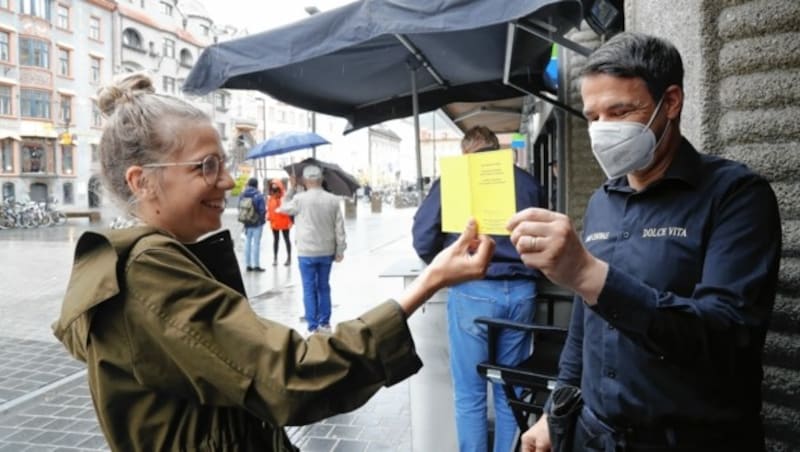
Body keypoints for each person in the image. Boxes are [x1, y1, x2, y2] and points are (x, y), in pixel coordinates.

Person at [52, 72, 496, 452]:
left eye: (225, 163)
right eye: (206, 166)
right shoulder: (146, 272)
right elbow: (289, 376)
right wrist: (428, 283)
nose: (226, 180)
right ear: (142, 182)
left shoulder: (147, 259)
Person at [510, 32, 781, 452]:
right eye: (593, 117)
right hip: (594, 435)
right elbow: (584, 325)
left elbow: (728, 338)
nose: (602, 130)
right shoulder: (603, 199)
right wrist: (553, 409)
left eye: (619, 111)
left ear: (670, 102)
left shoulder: (736, 196)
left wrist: (589, 273)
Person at [412, 125, 546, 452]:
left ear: (468, 152)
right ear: (495, 148)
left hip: (473, 290)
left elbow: (422, 238)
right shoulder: (527, 182)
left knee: (470, 393)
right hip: (523, 293)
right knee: (508, 390)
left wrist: (453, 261)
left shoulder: (457, 180)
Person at [278, 165, 346, 334]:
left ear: (305, 180)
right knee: (324, 286)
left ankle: (313, 326)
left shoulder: (300, 200)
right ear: (321, 179)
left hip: (306, 252)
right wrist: (340, 250)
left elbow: (282, 208)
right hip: (326, 251)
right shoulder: (333, 200)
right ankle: (325, 323)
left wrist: (291, 189)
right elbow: (340, 228)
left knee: (308, 288)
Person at [239, 177, 267, 271]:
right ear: (256, 185)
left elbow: (240, 208)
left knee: (247, 243)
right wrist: (262, 220)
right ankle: (256, 265)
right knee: (256, 244)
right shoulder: (258, 195)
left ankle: (248, 265)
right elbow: (262, 210)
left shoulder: (243, 195)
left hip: (247, 223)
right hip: (257, 223)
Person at [267, 178, 293, 266]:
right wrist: (270, 219)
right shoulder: (271, 199)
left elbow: (288, 210)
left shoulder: (283, 198)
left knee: (286, 240)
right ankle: (275, 258)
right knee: (276, 240)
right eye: (273, 188)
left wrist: (290, 222)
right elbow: (270, 211)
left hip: (284, 222)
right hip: (275, 223)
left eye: (276, 188)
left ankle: (289, 258)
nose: (274, 191)